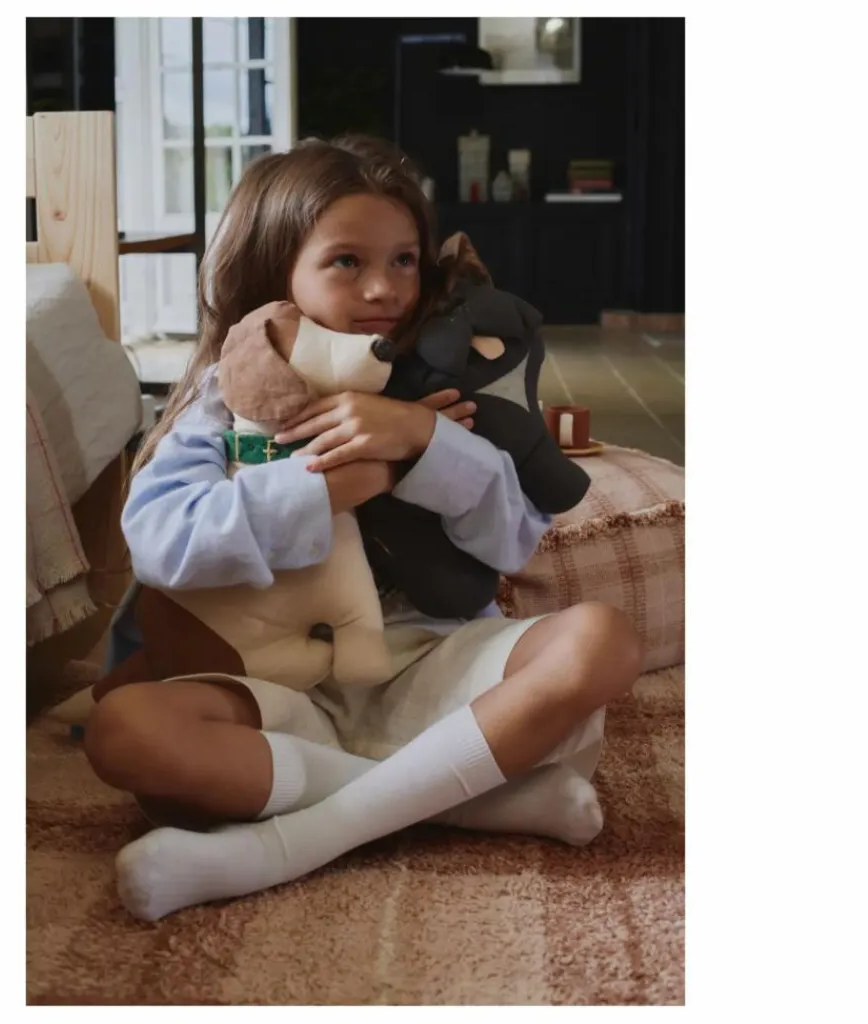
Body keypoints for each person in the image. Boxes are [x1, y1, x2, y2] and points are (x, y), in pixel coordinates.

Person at [84, 136, 643, 922]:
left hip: (431, 664)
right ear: (276, 269)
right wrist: (341, 485)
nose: (383, 287)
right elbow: (160, 539)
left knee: (601, 641)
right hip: (278, 688)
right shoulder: (227, 399)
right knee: (127, 733)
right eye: (346, 261)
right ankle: (466, 800)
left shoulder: (442, 385)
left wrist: (424, 440)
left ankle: (286, 845)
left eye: (404, 260)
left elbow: (512, 541)